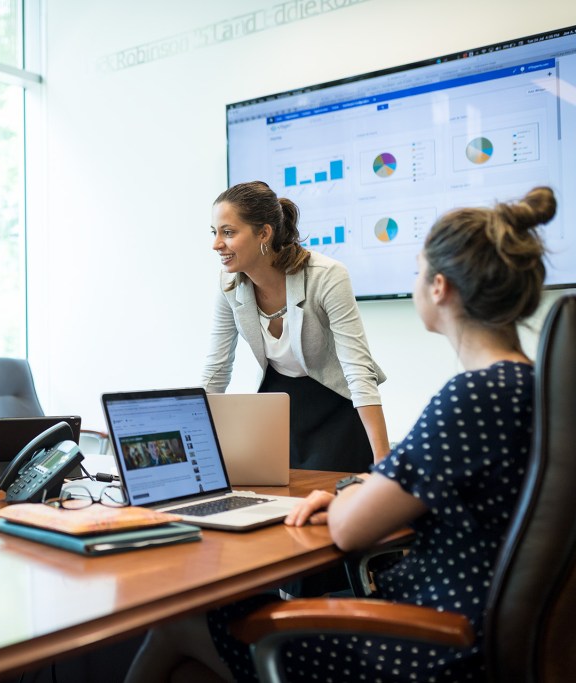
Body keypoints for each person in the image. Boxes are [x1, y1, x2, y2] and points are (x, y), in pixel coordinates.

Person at [126, 186, 555, 683]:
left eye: (416, 271)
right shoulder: (538, 389)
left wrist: (357, 493)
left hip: (427, 646)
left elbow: (352, 529)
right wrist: (365, 492)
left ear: (439, 288)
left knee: (182, 623)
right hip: (477, 627)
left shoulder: (470, 398)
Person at [203, 181, 390, 471]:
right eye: (214, 232)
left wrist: (384, 465)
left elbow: (357, 368)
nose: (216, 244)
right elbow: (216, 371)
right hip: (279, 408)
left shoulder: (326, 276)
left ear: (264, 232)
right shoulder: (229, 284)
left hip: (334, 409)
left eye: (228, 232)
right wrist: (192, 449)